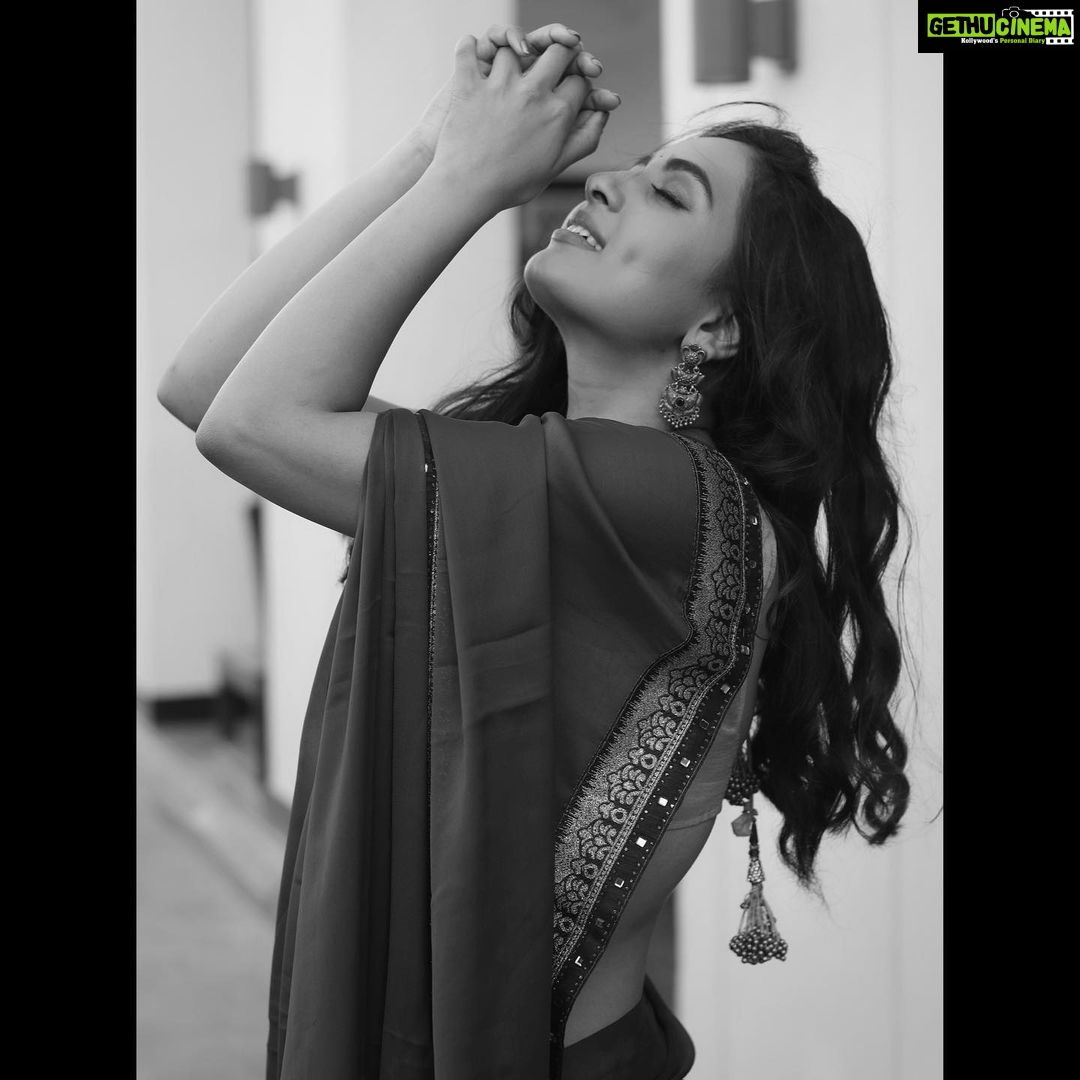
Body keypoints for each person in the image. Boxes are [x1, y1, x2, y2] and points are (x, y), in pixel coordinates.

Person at [158, 21, 911, 1080]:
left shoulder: (670, 499)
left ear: (718, 328)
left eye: (670, 192)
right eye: (631, 168)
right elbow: (205, 387)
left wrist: (467, 181)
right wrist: (429, 148)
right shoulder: (537, 477)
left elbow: (250, 422)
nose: (605, 183)